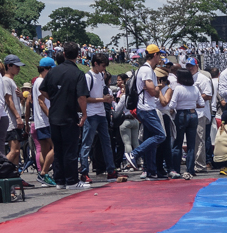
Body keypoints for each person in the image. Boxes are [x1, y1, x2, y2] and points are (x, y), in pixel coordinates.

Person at [38, 41, 89, 189]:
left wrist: (54, 98)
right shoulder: (78, 73)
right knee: (70, 149)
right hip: (69, 114)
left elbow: (43, 90)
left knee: (58, 149)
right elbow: (81, 97)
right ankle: (72, 180)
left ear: (64, 54)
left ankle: (60, 180)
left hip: (54, 114)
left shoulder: (53, 71)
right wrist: (84, 113)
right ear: (78, 55)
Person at [123, 44, 167, 179]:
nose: (160, 57)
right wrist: (158, 89)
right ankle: (134, 154)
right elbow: (151, 90)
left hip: (145, 108)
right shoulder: (147, 70)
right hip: (147, 108)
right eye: (159, 54)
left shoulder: (145, 69)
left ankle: (150, 170)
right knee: (160, 135)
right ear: (155, 55)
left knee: (150, 139)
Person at [80, 53, 116, 182]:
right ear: (95, 63)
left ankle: (111, 170)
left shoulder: (101, 75)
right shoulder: (88, 77)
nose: (103, 69)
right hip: (91, 114)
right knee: (87, 143)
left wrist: (106, 99)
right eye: (102, 66)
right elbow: (85, 98)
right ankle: (84, 172)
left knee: (106, 142)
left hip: (101, 113)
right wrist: (103, 99)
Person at [168, 63, 204, 179]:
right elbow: (202, 103)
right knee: (191, 144)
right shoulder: (195, 88)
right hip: (193, 114)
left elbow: (172, 105)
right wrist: (191, 104)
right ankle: (190, 169)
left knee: (178, 143)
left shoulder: (178, 88)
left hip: (181, 114)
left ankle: (176, 169)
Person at [33, 56, 55, 184]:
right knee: (57, 147)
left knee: (44, 150)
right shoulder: (41, 82)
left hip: (39, 121)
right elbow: (42, 102)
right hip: (45, 120)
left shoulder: (36, 82)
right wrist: (50, 116)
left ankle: (43, 175)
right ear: (46, 69)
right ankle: (44, 173)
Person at [189, 59, 214, 171]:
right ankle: (194, 163)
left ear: (197, 66)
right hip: (191, 112)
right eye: (188, 66)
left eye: (192, 66)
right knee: (192, 139)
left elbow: (208, 95)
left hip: (201, 113)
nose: (190, 68)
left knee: (200, 139)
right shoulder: (187, 79)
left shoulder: (203, 79)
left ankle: (200, 164)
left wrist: (193, 99)